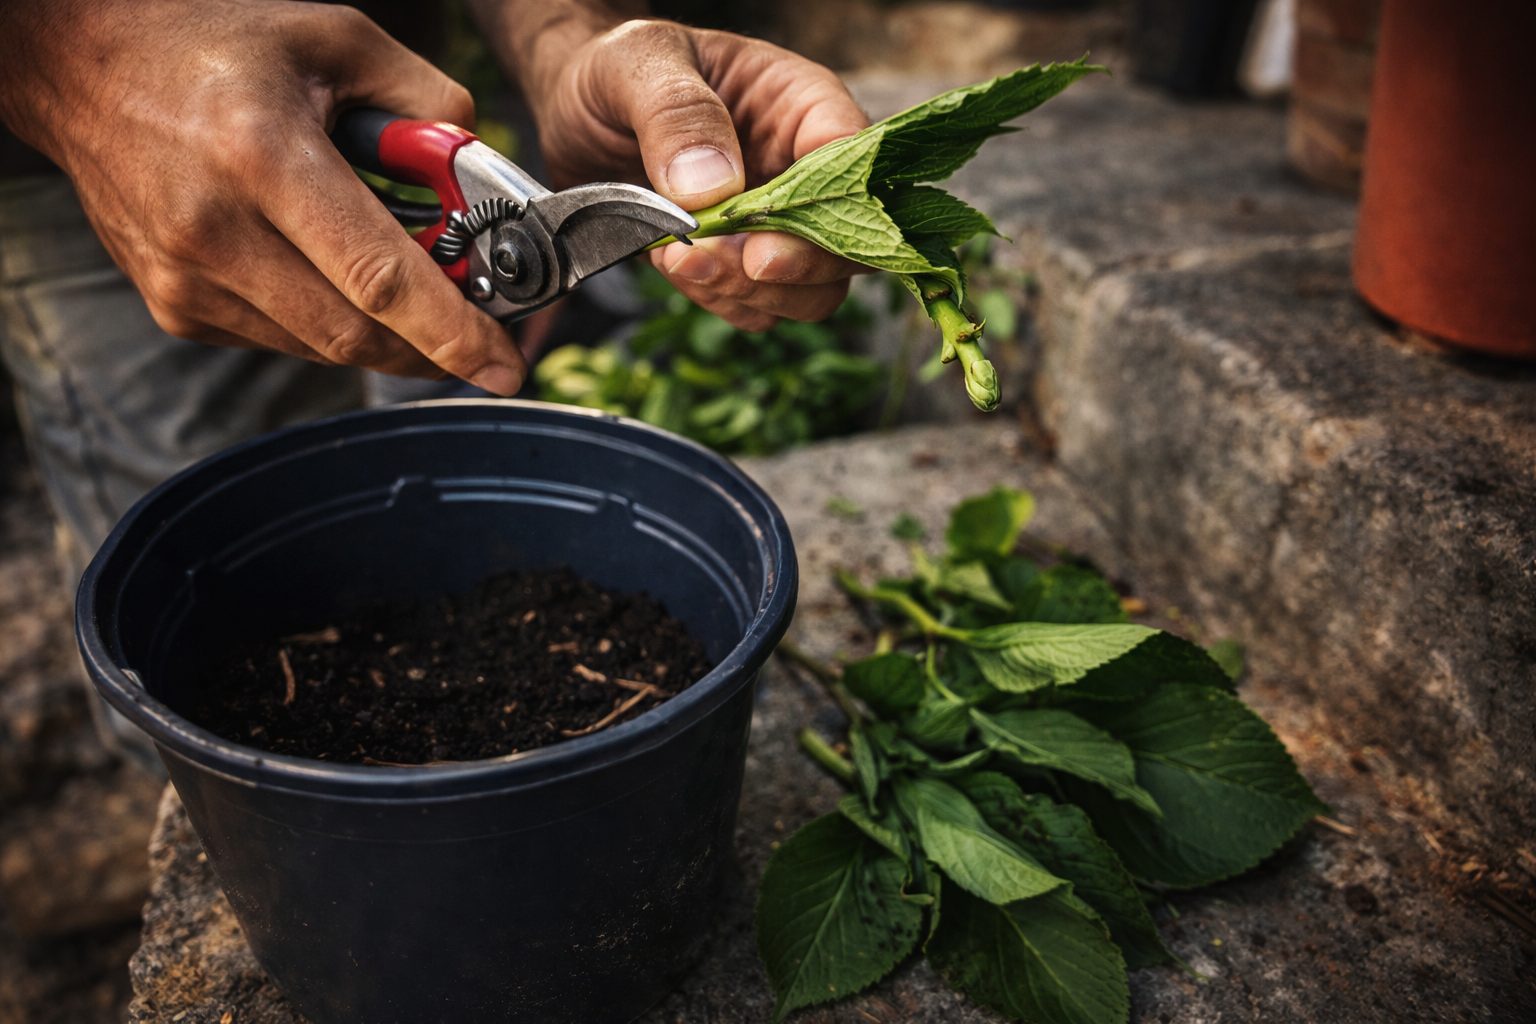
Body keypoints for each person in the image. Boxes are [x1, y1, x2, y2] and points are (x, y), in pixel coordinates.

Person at [0, 0, 869, 768]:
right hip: (88, 158)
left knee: (439, 506)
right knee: (186, 616)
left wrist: (571, 41)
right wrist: (75, 73)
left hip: (386, 89)